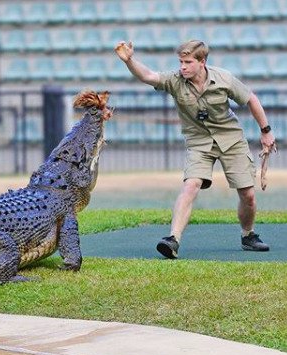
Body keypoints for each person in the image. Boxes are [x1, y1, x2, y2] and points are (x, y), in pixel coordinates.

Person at [114, 40, 276, 259]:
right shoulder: (175, 80)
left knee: (248, 195)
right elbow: (148, 76)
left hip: (231, 139)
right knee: (191, 185)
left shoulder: (223, 78)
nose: (183, 67)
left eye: (188, 62)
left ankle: (248, 235)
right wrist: (130, 61)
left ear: (202, 62)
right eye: (181, 61)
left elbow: (251, 99)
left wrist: (266, 131)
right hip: (199, 141)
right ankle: (173, 240)